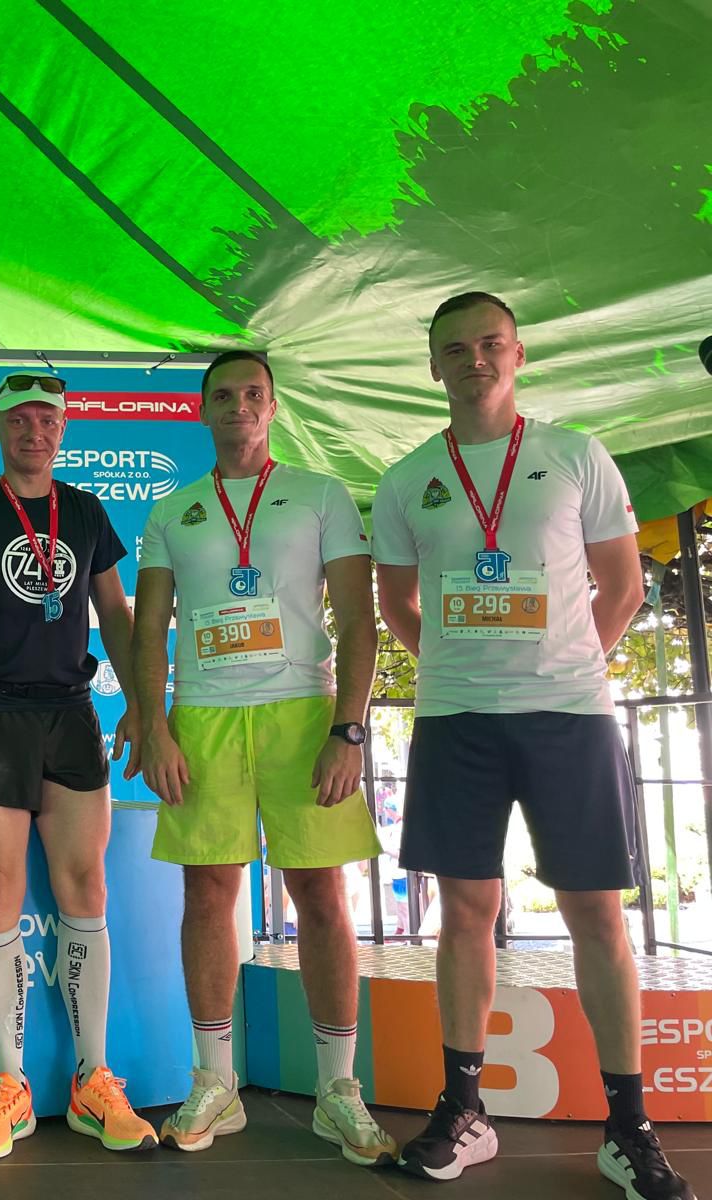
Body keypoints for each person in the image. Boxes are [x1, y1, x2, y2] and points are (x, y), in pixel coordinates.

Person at [374, 292, 692, 1199]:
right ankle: (464, 1111)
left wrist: (565, 665)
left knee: (597, 914)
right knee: (464, 912)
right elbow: (397, 602)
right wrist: (459, 667)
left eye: (490, 344)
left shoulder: (575, 454)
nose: (474, 359)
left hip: (570, 717)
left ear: (518, 355)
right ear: (433, 366)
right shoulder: (407, 478)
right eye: (455, 349)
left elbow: (622, 587)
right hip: (455, 719)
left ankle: (628, 1128)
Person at [132, 350, 396, 1166]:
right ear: (201, 409)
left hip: (303, 713)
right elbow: (148, 630)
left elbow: (358, 620)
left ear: (273, 407)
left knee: (321, 892)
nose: (239, 406)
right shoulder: (173, 509)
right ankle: (215, 1081)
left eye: (254, 394)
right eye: (223, 395)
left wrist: (349, 729)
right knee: (208, 891)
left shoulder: (320, 494)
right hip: (204, 714)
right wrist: (155, 726)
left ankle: (338, 1090)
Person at [0, 371, 154, 1160]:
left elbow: (113, 611)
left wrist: (141, 705)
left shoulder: (84, 510)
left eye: (47, 419)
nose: (34, 431)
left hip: (70, 713)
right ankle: (9, 1085)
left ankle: (92, 1079)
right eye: (19, 419)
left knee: (86, 887)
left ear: (62, 430)